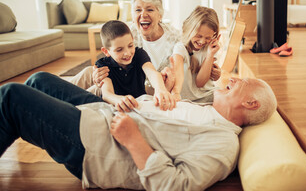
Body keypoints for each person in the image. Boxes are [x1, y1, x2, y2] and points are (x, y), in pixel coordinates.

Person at [0, 72, 277, 190]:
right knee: (39, 80)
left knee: (10, 97)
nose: (235, 79)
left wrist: (134, 142)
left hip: (102, 143)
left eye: (243, 82)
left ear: (249, 103)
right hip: (109, 111)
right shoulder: (208, 107)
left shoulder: (223, 145)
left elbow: (176, 186)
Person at [70, 0, 221, 96]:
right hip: (126, 80)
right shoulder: (128, 34)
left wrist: (213, 71)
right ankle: (55, 93)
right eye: (138, 10)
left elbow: (191, 64)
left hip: (147, 89)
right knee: (89, 73)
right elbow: (112, 58)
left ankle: (61, 101)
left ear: (160, 15)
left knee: (93, 92)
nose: (143, 14)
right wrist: (99, 73)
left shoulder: (177, 38)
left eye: (150, 9)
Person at [95, 20, 175, 111]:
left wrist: (160, 89)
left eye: (130, 46)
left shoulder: (139, 54)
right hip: (116, 106)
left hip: (140, 103)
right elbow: (107, 94)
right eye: (119, 50)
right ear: (106, 51)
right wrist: (119, 99)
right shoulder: (102, 65)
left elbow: (152, 72)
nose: (127, 53)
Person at [172, 6, 221, 103]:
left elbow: (200, 82)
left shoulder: (210, 48)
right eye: (198, 36)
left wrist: (210, 55)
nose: (202, 41)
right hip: (186, 98)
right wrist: (176, 92)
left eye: (208, 38)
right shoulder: (180, 48)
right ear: (189, 30)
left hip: (208, 94)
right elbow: (178, 71)